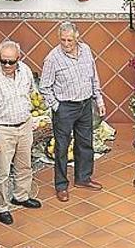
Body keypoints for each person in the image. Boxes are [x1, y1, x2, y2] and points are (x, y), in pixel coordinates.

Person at [39, 21, 106, 202]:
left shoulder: (86, 50)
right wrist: (57, 107)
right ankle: (61, 185)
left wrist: (98, 100)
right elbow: (44, 87)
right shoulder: (53, 58)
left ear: (77, 37)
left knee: (85, 143)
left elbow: (94, 77)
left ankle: (83, 178)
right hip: (65, 107)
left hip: (85, 105)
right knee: (61, 147)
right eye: (63, 40)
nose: (66, 44)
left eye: (70, 40)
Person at [0, 39, 42, 225]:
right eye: (3, 61)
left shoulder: (25, 71)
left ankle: (21, 196)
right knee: (2, 172)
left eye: (11, 61)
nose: (7, 65)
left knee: (24, 165)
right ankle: (1, 206)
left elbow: (32, 91)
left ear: (19, 59)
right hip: (3, 129)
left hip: (24, 125)